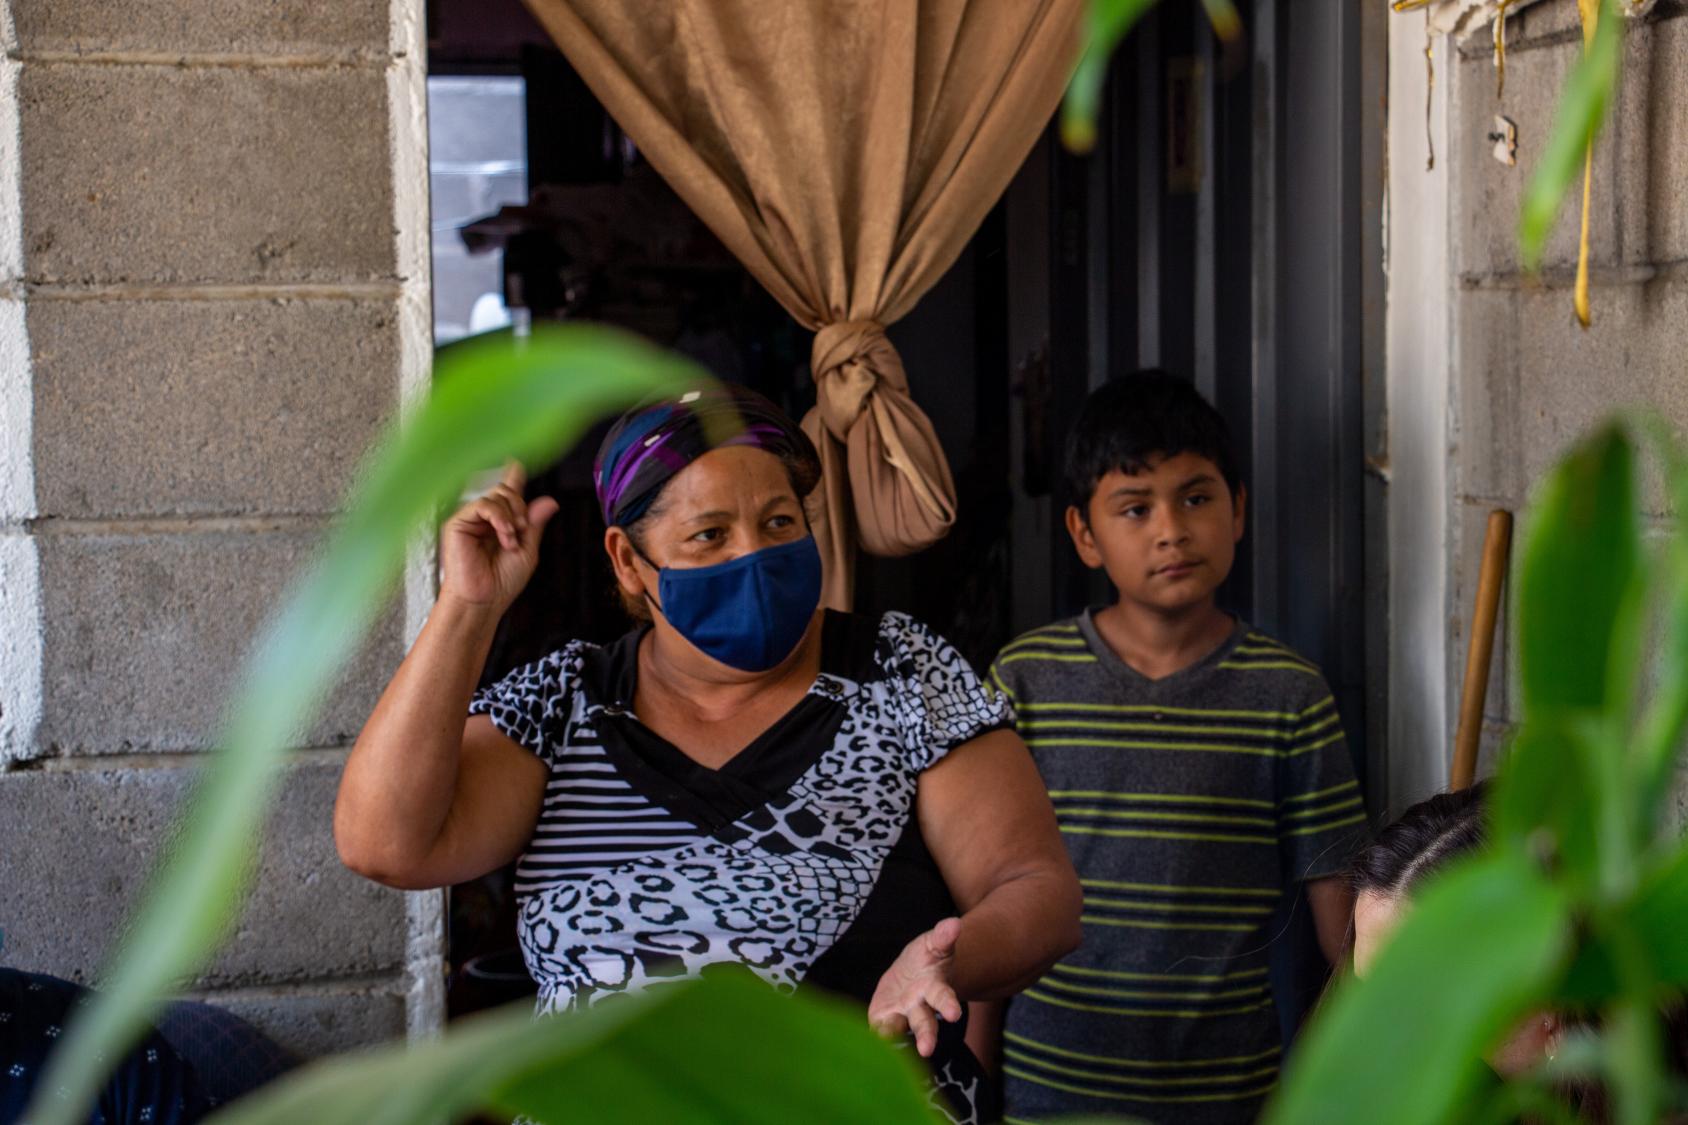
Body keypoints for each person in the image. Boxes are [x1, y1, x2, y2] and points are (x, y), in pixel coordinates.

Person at [334, 383, 1083, 1123]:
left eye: (780, 520)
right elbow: (385, 842)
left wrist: (946, 957)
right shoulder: (566, 702)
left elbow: (1036, 888)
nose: (754, 553)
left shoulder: (900, 673)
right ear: (629, 561)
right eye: (710, 534)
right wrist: (469, 606)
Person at [977, 371, 1365, 1124]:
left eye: (1197, 497)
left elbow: (1345, 931)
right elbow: (987, 903)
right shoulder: (1025, 680)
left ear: (1239, 509)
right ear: (1084, 535)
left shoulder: (1289, 695)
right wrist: (970, 1081)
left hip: (1227, 1096)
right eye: (1134, 506)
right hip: (1049, 1091)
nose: (1171, 530)